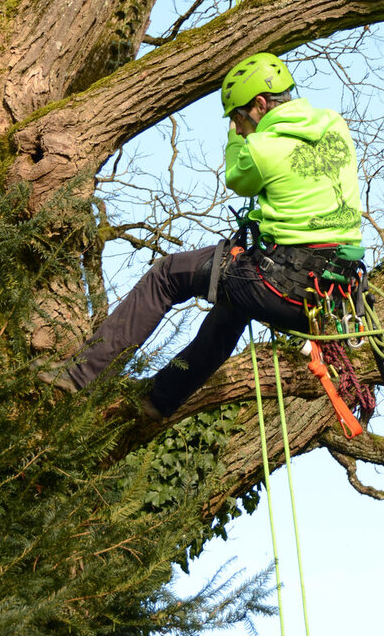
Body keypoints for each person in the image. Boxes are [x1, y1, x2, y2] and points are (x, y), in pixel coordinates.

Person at [47, 53, 364, 422]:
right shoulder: (335, 127)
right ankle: (159, 401)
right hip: (333, 301)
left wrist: (235, 141)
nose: (239, 127)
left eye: (239, 118)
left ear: (260, 105)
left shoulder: (258, 150)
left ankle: (77, 376)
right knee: (231, 309)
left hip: (280, 285)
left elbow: (237, 177)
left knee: (167, 274)